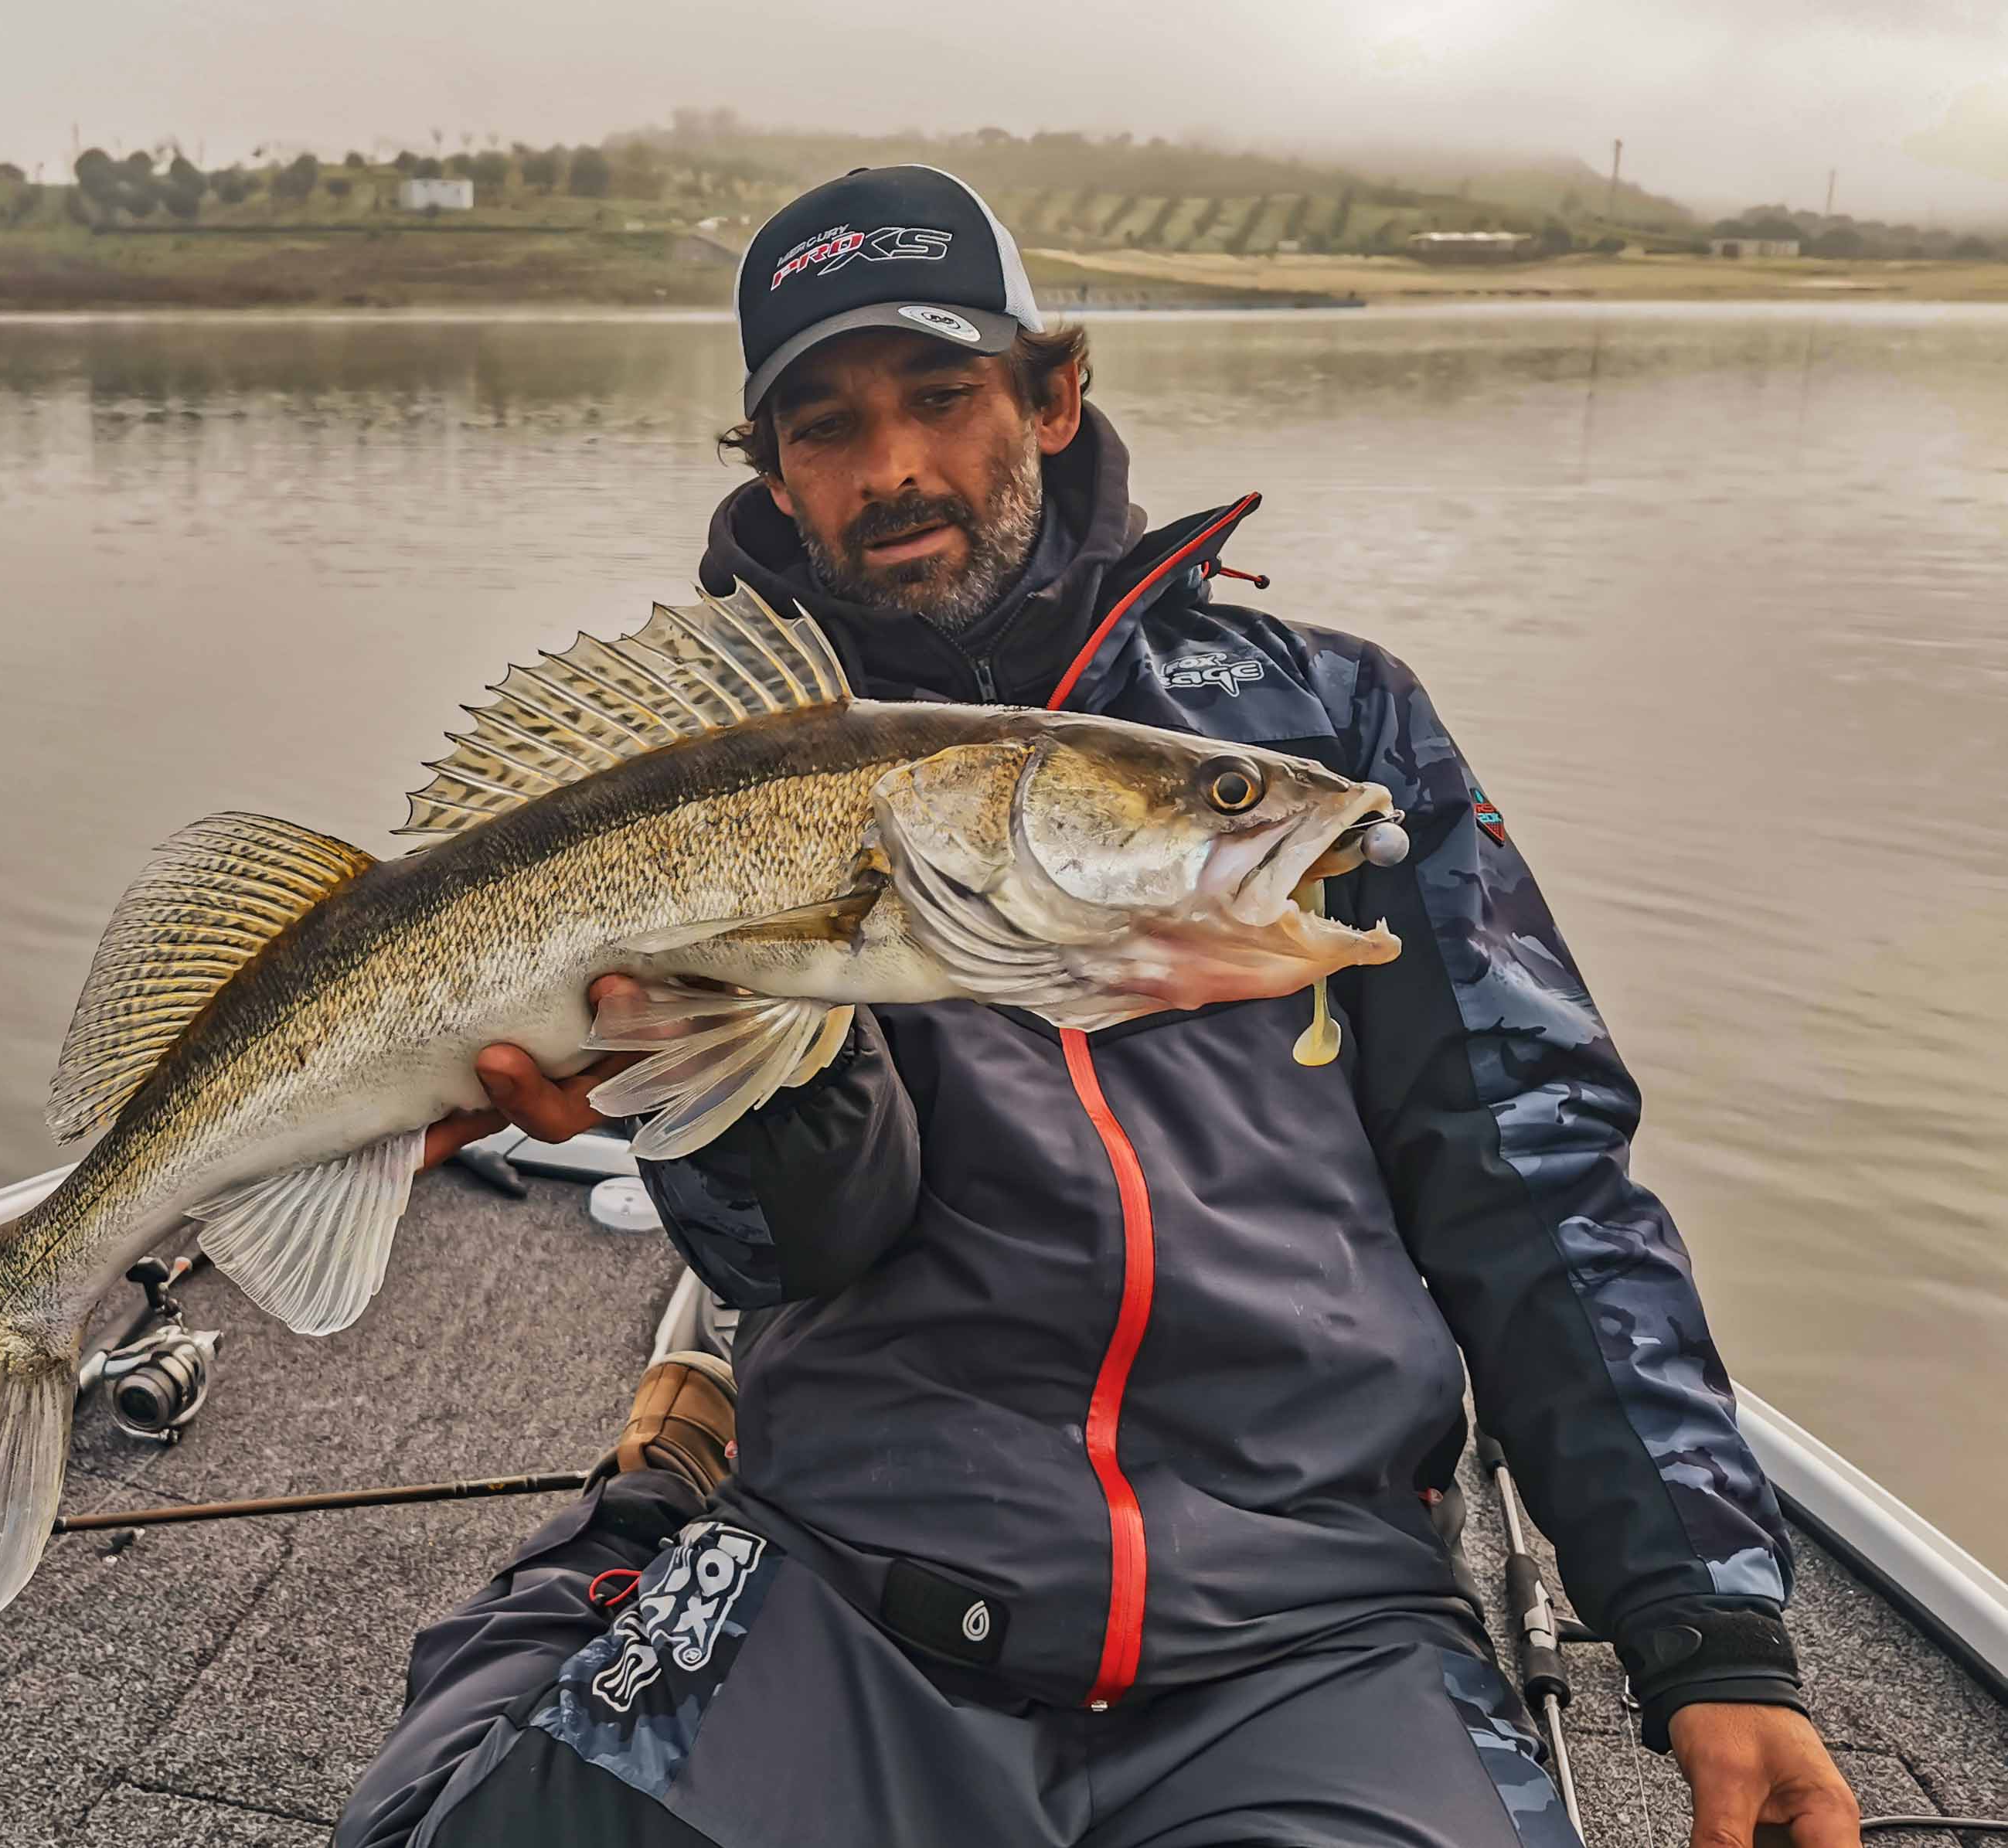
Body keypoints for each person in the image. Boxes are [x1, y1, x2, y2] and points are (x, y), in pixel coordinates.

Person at [351, 166, 1860, 1848]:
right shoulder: (711, 775)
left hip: (1308, 1620)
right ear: (773, 469)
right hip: (859, 1569)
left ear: (1053, 396)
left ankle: (652, 1486)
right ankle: (616, 1549)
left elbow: (1533, 1170)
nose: (895, 469)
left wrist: (1708, 1626)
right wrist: (705, 1062)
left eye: (943, 395)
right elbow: (804, 1250)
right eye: (828, 426)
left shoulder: (1324, 724)